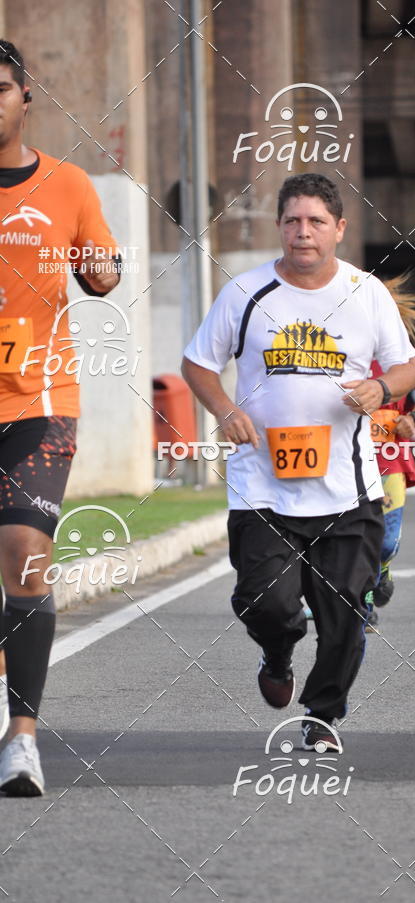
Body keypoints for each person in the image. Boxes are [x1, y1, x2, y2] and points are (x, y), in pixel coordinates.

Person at [181, 173, 415, 752]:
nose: (302, 233)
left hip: (347, 487)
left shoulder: (366, 294)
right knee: (268, 603)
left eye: (315, 222)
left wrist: (382, 390)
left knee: (345, 614)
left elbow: (410, 370)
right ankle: (277, 649)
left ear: (339, 229)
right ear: (279, 227)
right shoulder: (246, 293)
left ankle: (321, 717)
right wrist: (224, 409)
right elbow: (197, 364)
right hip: (263, 486)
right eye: (292, 221)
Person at [0, 40, 120, 795]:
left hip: (38, 401)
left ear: (25, 95)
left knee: (22, 551)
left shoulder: (67, 184)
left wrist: (98, 268)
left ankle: (21, 739)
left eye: (0, 86)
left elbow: (104, 269)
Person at [366, 280, 415, 629]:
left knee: (386, 542)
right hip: (343, 461)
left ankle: (383, 568)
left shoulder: (396, 351)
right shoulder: (332, 346)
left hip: (390, 456)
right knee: (354, 538)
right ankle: (361, 606)